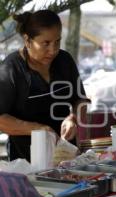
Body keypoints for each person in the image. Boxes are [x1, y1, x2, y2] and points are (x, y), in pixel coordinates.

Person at [0, 10, 88, 162]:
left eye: (57, 42)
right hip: (26, 161)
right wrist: (38, 129)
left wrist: (73, 118)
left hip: (66, 158)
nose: (53, 50)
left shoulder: (65, 60)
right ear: (27, 40)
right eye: (45, 43)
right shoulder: (11, 68)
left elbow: (81, 100)